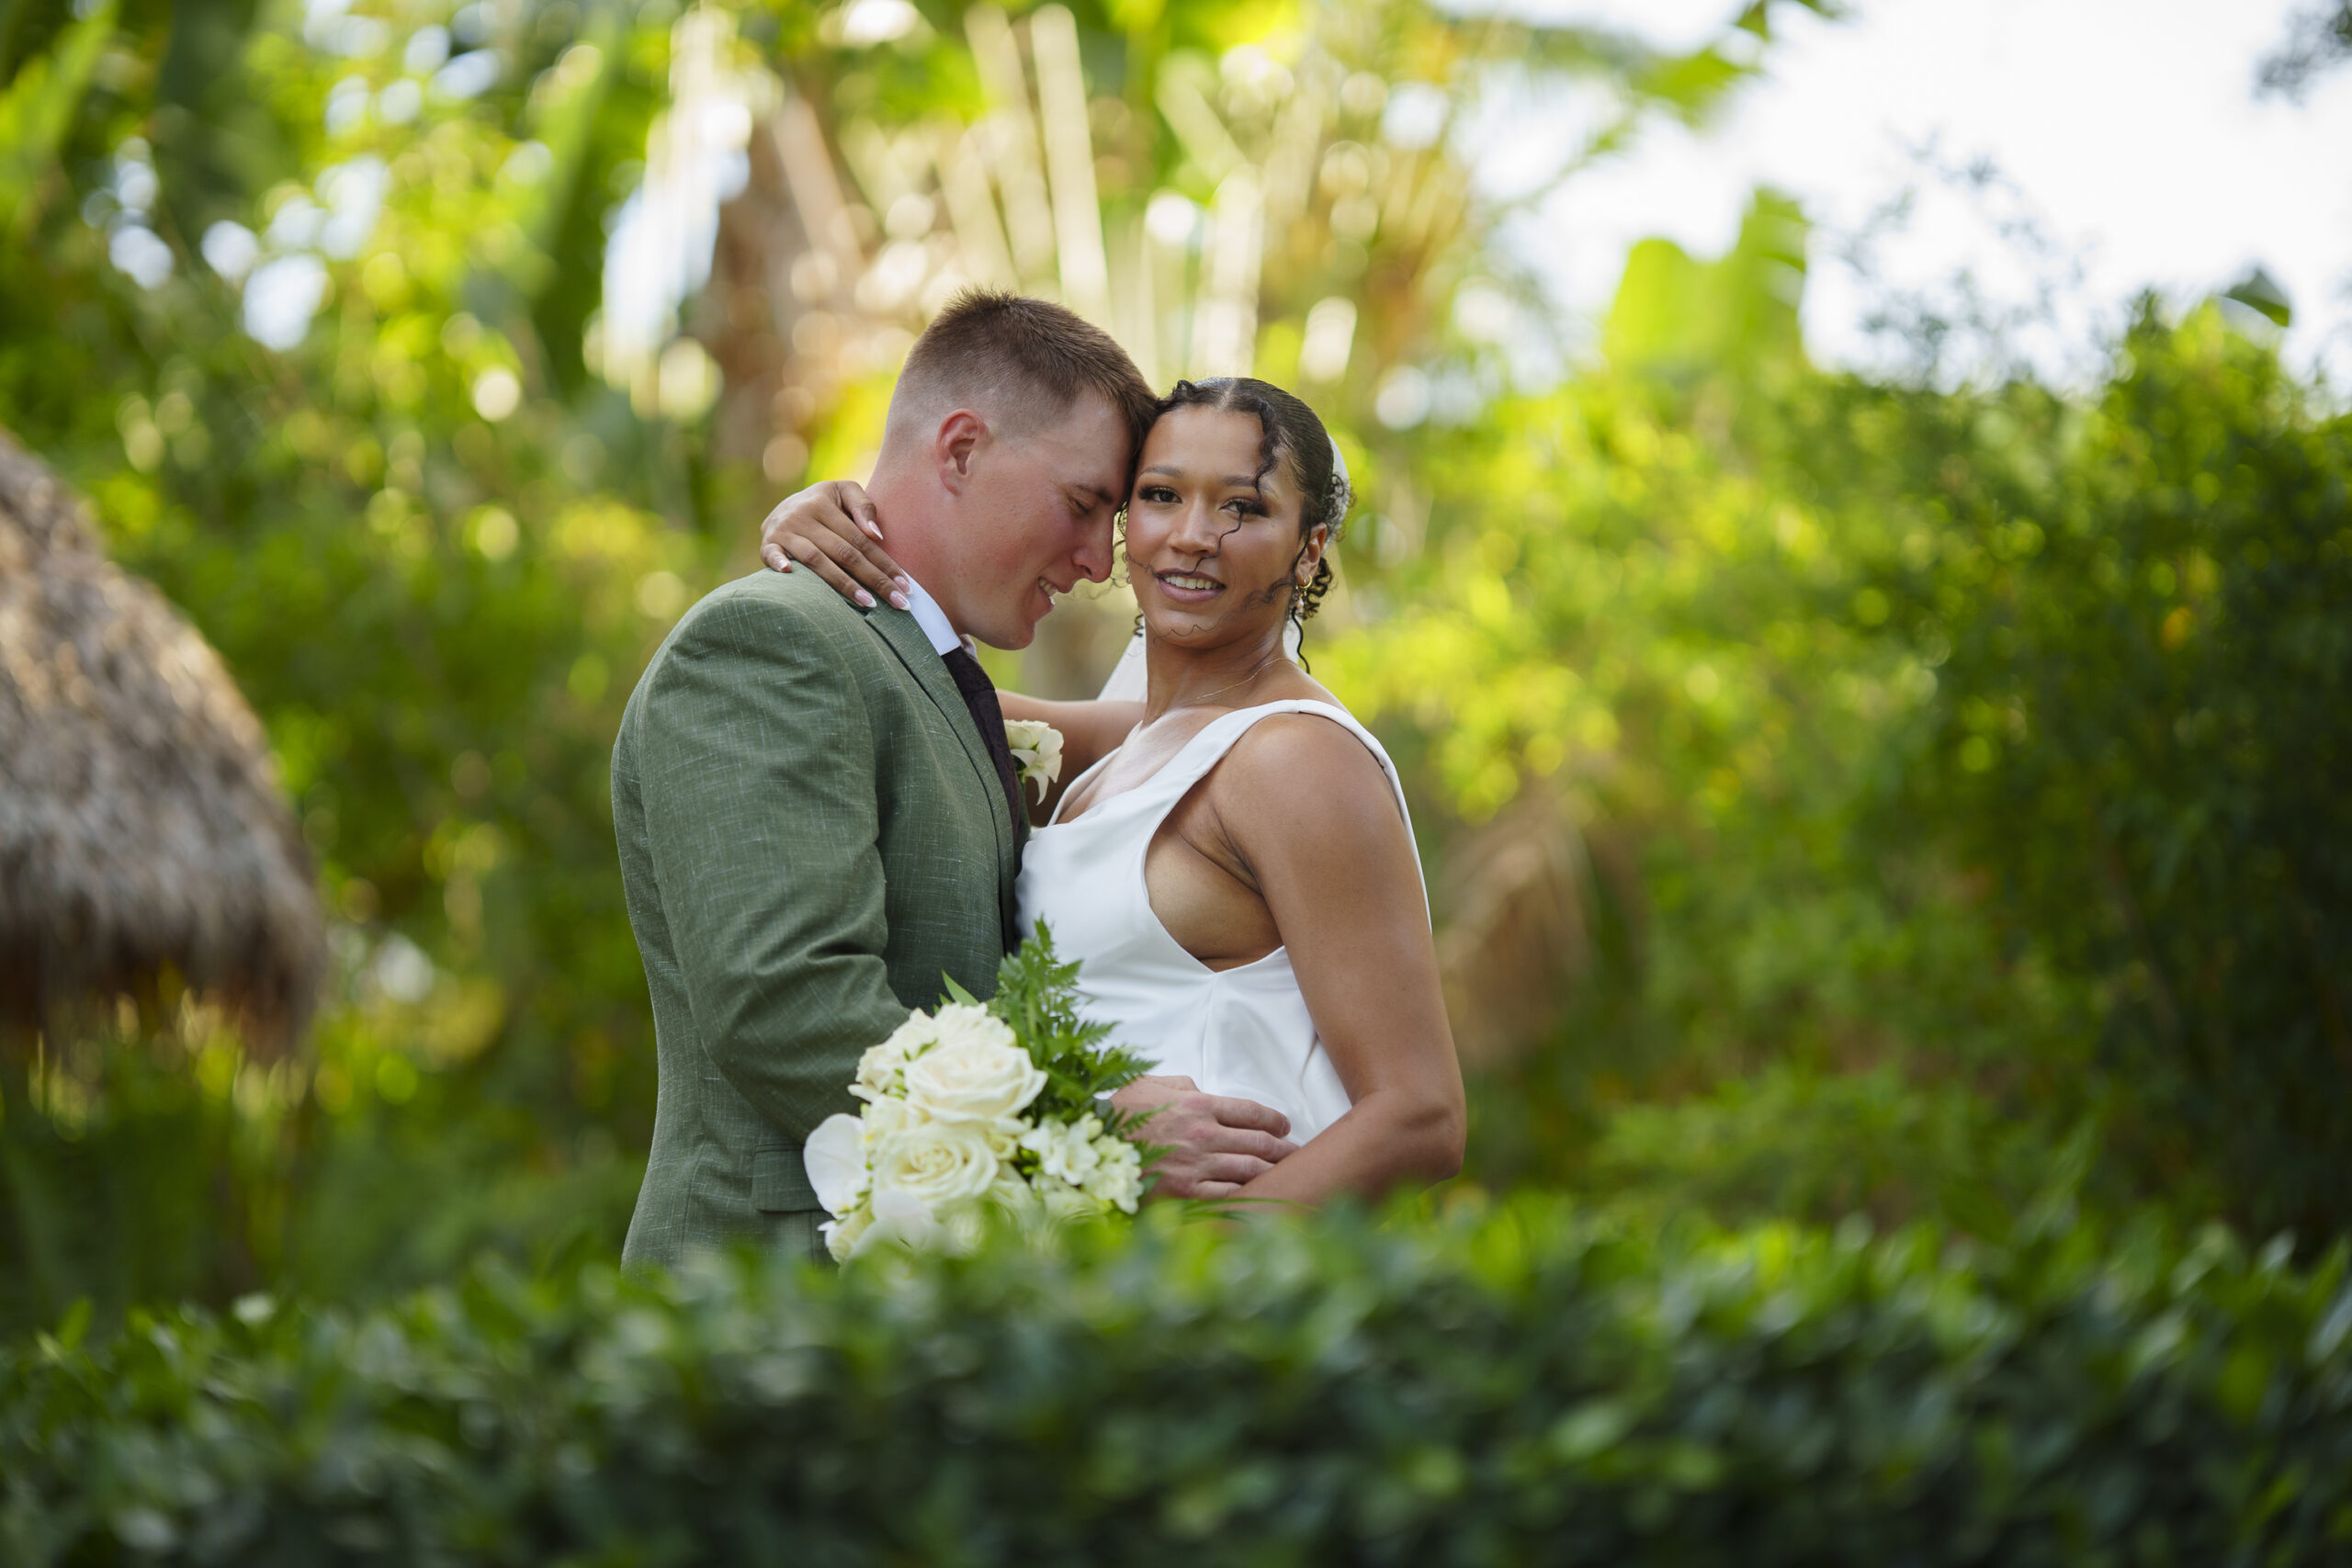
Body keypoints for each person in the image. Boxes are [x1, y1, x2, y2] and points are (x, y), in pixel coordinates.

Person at [614, 294, 1304, 1269]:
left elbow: (1214, 734)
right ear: (961, 450)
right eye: (1081, 506)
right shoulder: (768, 644)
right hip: (771, 1293)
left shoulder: (938, 682)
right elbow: (784, 1003)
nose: (1096, 561)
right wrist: (1092, 1127)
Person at [759, 376, 1464, 1203]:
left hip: (1218, 1284)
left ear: (1308, 549)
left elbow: (1419, 1115)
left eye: (1242, 507)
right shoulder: (1118, 742)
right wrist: (817, 520)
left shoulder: (1294, 759)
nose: (1193, 536)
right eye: (1161, 496)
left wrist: (1195, 1266)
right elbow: (880, 680)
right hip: (1090, 1275)